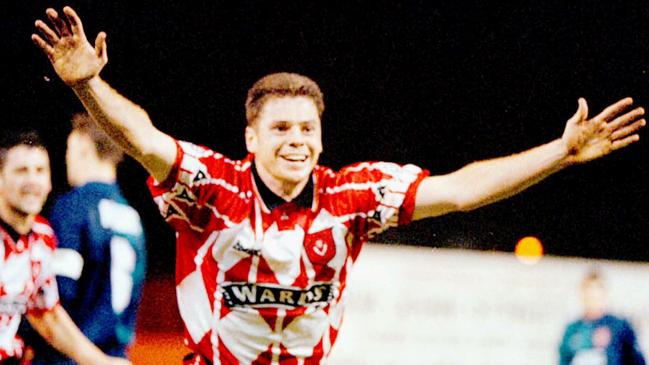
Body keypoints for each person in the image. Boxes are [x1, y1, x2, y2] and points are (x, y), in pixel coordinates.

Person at [31, 6, 645, 364]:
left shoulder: (353, 198)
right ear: (251, 138)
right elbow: (142, 136)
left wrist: (560, 153)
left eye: (307, 128)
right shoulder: (212, 187)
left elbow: (460, 190)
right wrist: (86, 85)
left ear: (322, 138)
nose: (296, 139)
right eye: (280, 129)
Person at [22, 113, 146, 364]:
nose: (66, 160)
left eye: (69, 150)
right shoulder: (132, 217)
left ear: (84, 148)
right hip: (117, 357)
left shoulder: (74, 206)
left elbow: (57, 293)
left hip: (69, 357)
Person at [559, 269, 646, 365]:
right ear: (582, 294)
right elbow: (564, 360)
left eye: (596, 292)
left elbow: (637, 360)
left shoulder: (619, 326)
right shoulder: (572, 329)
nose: (592, 296)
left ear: (604, 294)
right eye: (589, 292)